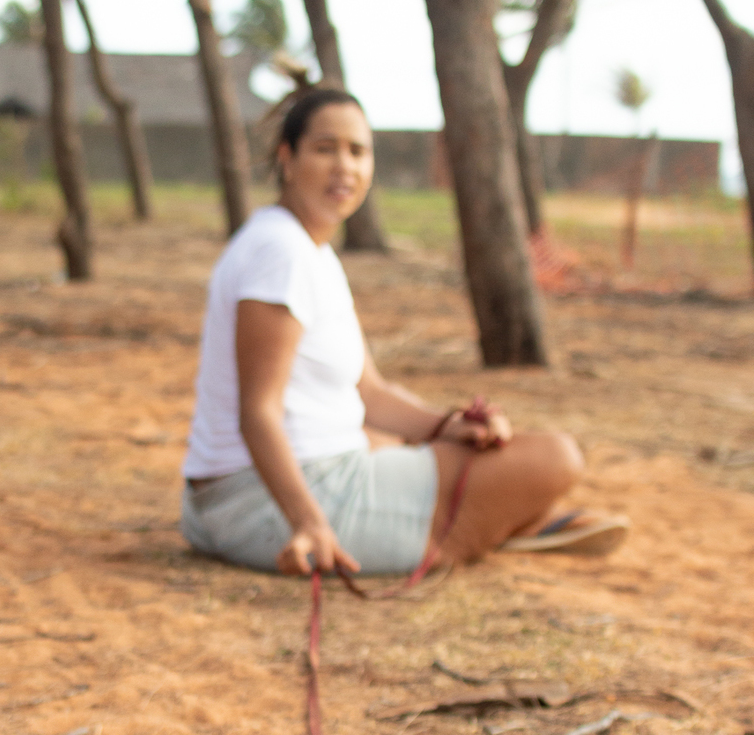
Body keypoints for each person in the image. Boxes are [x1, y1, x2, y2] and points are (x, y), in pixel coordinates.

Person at [181, 87, 628, 579]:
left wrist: (447, 426)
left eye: (358, 151)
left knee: (414, 446)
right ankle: (507, 526)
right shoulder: (280, 252)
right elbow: (257, 412)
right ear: (287, 158)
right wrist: (310, 522)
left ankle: (508, 519)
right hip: (264, 505)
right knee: (555, 457)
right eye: (325, 149)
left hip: (246, 498)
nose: (344, 167)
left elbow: (368, 391)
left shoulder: (305, 250)